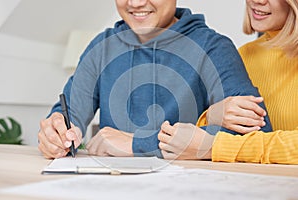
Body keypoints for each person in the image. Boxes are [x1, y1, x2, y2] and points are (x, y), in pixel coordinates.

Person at [38, 0, 272, 159]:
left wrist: (138, 144)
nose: (136, 3)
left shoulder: (214, 47)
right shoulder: (101, 47)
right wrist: (56, 132)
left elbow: (254, 134)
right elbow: (69, 114)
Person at [158, 0, 298, 164]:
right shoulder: (245, 55)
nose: (257, 0)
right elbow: (193, 143)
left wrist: (214, 146)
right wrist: (211, 116)